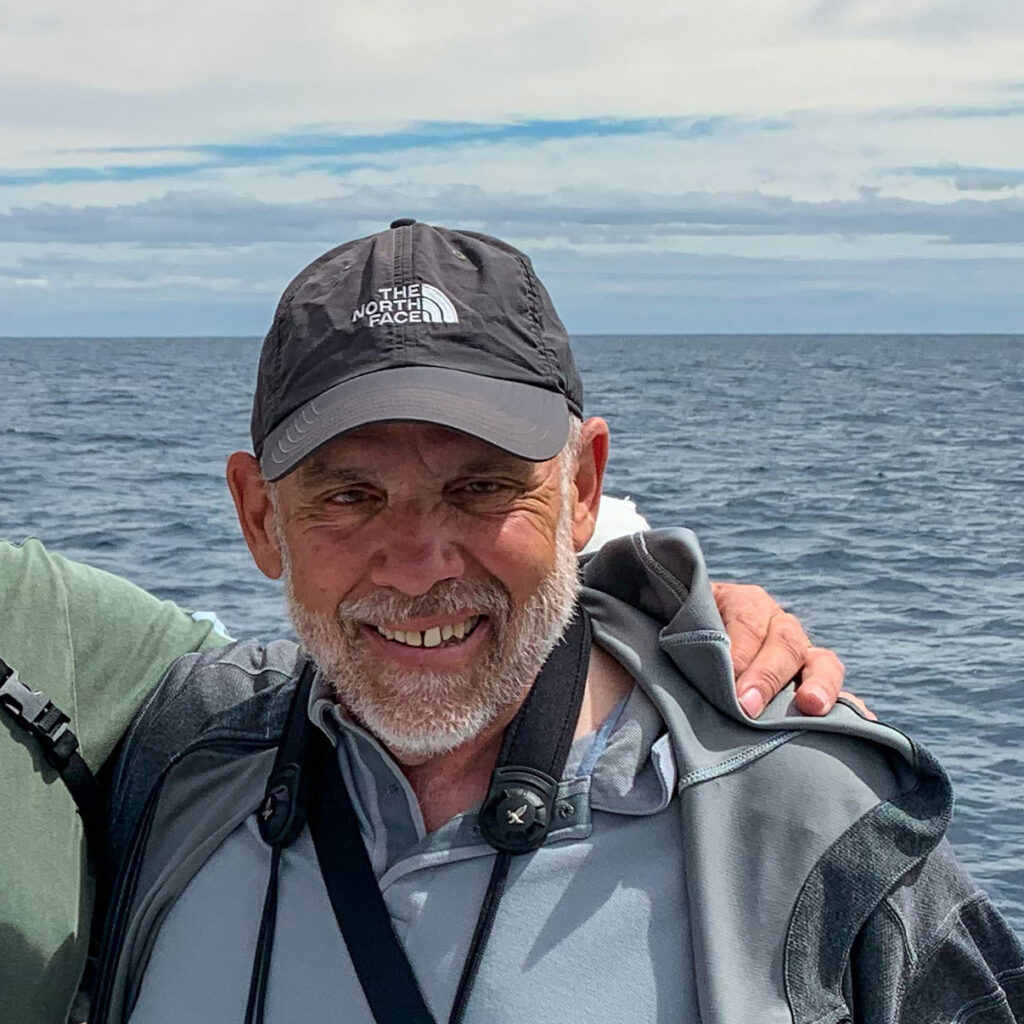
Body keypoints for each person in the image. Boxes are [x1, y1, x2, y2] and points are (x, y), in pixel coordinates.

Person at [8, 219, 1017, 1023]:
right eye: (349, 496)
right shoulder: (187, 756)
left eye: (483, 486)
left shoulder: (809, 821)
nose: (418, 562)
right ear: (257, 516)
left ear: (583, 488)